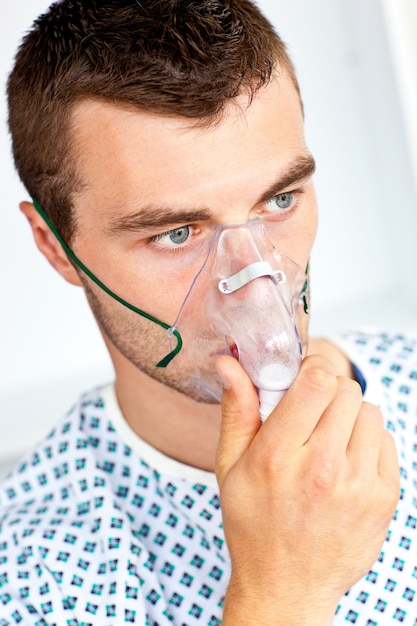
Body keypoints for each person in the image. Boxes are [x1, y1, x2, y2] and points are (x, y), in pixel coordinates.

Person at [2, 0, 415, 623]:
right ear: (56, 247)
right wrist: (280, 594)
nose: (253, 286)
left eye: (280, 199)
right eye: (176, 234)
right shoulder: (36, 577)